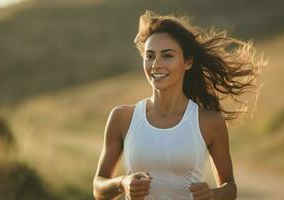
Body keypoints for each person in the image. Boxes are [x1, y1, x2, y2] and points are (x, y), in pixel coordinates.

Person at [93, 10, 263, 200]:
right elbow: (98, 188)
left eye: (167, 56)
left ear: (188, 62)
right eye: (150, 56)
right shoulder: (121, 118)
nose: (156, 64)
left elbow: (230, 188)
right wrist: (122, 183)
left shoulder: (209, 122)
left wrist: (212, 195)